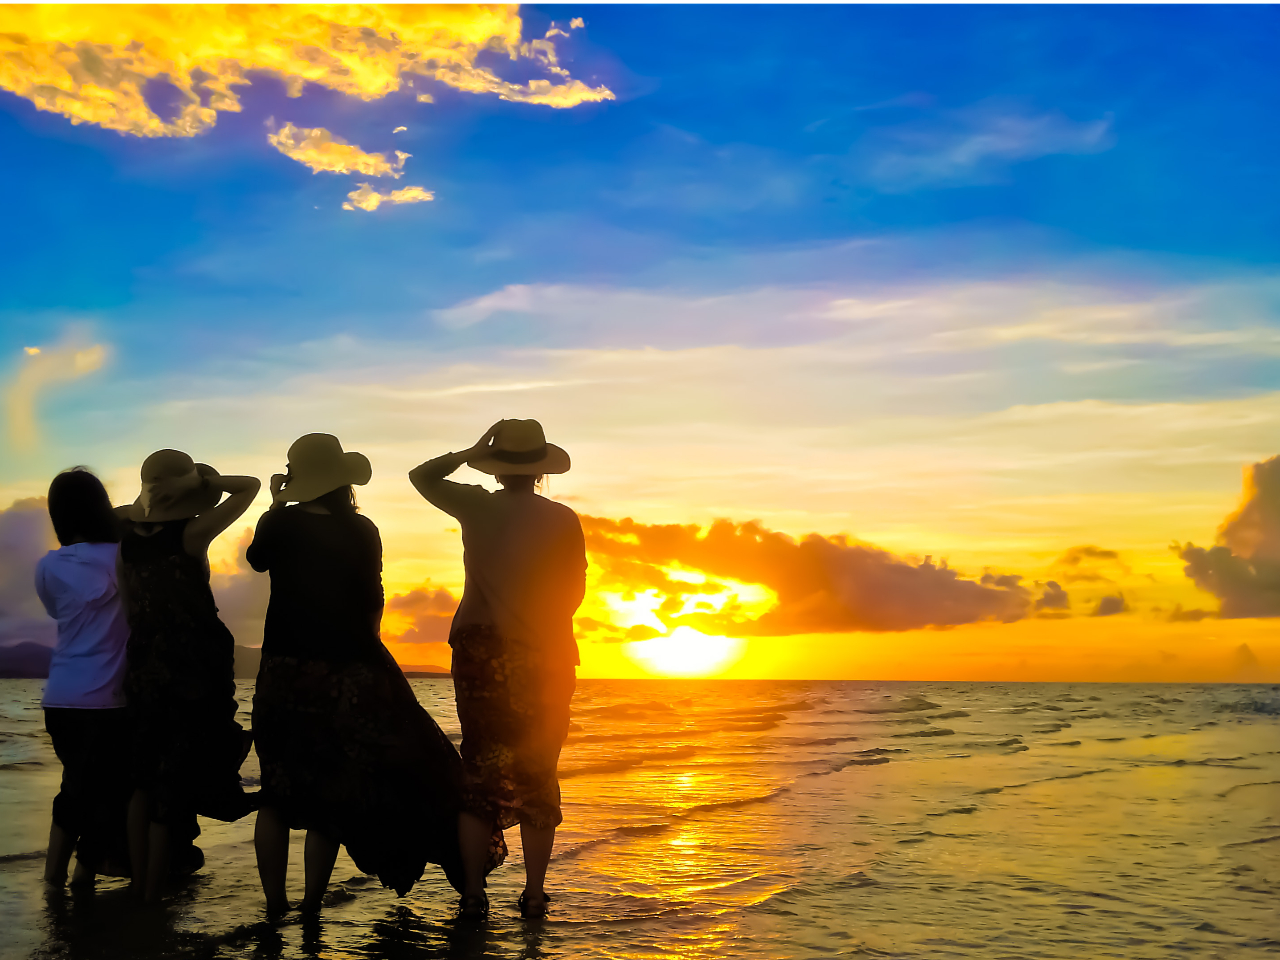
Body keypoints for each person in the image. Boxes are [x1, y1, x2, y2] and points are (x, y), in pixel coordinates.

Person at [248, 433, 501, 917]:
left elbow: (256, 560)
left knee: (277, 793)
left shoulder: (280, 521)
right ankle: (312, 905)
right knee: (328, 796)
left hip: (285, 671)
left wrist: (277, 502)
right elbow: (373, 600)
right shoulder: (363, 530)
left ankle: (275, 906)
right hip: (351, 671)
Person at [409, 419, 586, 920]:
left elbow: (422, 477)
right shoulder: (563, 519)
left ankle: (471, 894)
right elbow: (575, 590)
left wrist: (469, 451)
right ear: (540, 470)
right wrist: (539, 623)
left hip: (480, 650)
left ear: (496, 465)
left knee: (480, 767)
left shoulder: (476, 504)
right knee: (538, 771)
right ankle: (533, 894)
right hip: (545, 653)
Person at [118, 449, 260, 901]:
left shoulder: (123, 535)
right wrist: (203, 480)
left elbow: (126, 604)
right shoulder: (192, 531)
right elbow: (251, 487)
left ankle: (141, 880)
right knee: (173, 782)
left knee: (142, 779)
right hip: (194, 666)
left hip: (142, 660)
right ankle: (152, 890)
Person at [35, 467, 131, 887]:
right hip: (107, 698)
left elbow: (56, 612)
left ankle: (56, 876)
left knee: (75, 787)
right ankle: (77, 878)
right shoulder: (120, 557)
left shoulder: (48, 565)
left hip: (60, 697)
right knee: (105, 794)